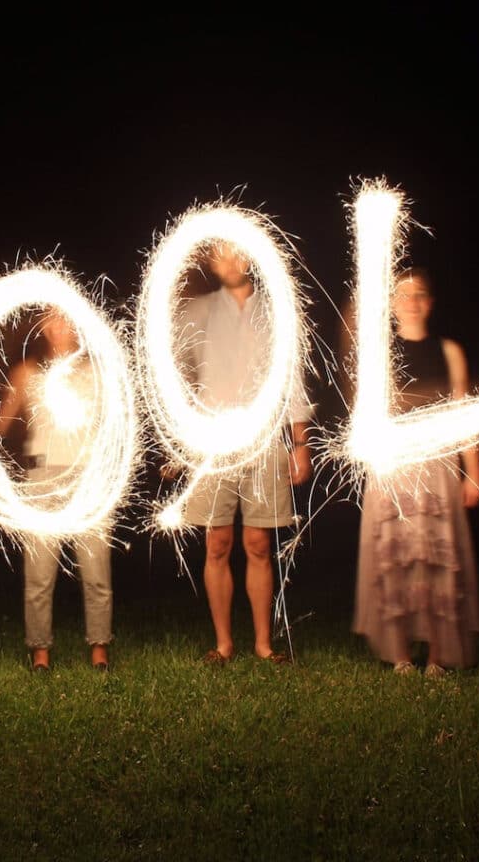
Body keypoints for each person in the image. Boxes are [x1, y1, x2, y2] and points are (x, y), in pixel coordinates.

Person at [172, 241, 313, 665]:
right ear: (211, 263)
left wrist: (300, 444)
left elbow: (294, 381)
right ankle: (223, 644)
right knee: (217, 543)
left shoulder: (278, 312)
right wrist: (182, 436)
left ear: (250, 255)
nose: (230, 261)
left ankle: (263, 644)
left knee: (258, 544)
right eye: (220, 254)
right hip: (213, 444)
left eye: (237, 252)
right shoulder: (194, 312)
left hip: (265, 440)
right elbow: (174, 376)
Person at [352, 267, 479, 676]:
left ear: (429, 303)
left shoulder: (449, 352)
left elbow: (465, 416)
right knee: (395, 558)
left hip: (436, 468)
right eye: (402, 294)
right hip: (393, 467)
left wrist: (474, 472)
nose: (410, 301)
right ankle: (401, 656)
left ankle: (436, 657)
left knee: (433, 559)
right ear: (391, 304)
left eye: (419, 294)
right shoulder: (378, 356)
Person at [0, 309, 112, 672]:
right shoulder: (28, 374)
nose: (61, 325)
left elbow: (118, 427)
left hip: (88, 480)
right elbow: (0, 425)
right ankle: (40, 651)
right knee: (40, 573)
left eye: (67, 318)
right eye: (52, 319)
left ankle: (99, 648)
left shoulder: (100, 373)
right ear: (43, 328)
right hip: (42, 480)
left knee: (95, 571)